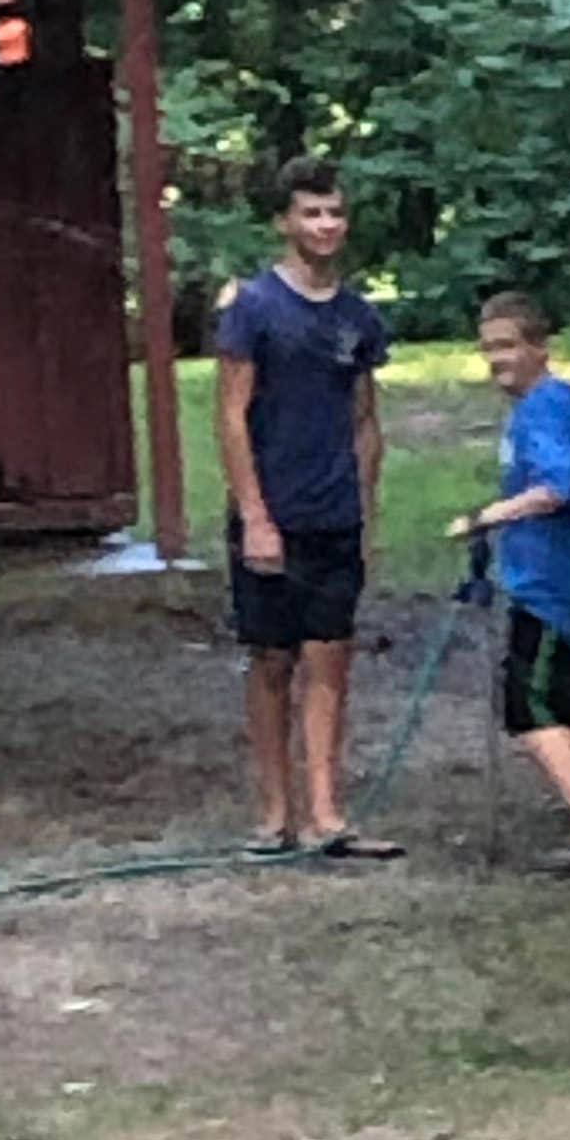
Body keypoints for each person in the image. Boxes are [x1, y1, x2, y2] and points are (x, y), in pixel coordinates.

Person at [213, 157, 395, 858]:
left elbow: (365, 421)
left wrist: (365, 513)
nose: (325, 225)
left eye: (335, 212)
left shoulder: (358, 317)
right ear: (284, 222)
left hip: (335, 514)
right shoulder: (254, 308)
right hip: (272, 513)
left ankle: (326, 813)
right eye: (312, 213)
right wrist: (255, 515)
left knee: (330, 658)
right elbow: (231, 416)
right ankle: (274, 813)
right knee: (271, 661)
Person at [446, 293, 570, 877]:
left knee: (529, 705)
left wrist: (485, 518)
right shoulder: (553, 404)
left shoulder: (544, 408)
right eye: (488, 349)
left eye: (507, 346)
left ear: (539, 347)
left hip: (556, 584)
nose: (496, 360)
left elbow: (556, 487)